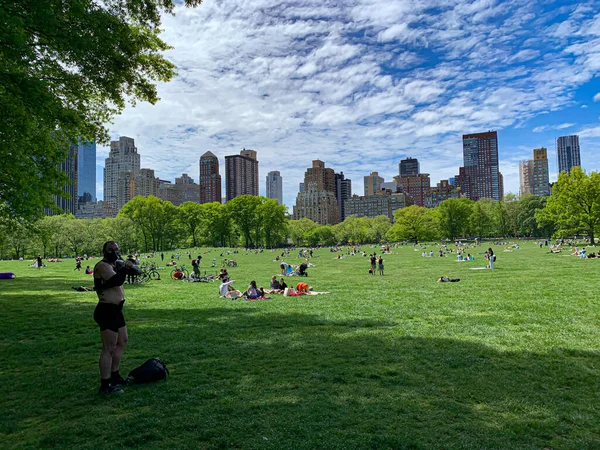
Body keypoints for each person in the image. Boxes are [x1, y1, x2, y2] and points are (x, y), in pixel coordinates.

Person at [93, 241, 132, 394]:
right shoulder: (102, 266)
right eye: (111, 250)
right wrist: (125, 268)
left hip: (116, 310)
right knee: (108, 347)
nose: (114, 252)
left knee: (122, 340)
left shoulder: (114, 265)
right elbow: (117, 280)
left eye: (116, 249)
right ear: (105, 251)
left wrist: (128, 266)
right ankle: (105, 384)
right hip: (106, 310)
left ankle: (115, 375)